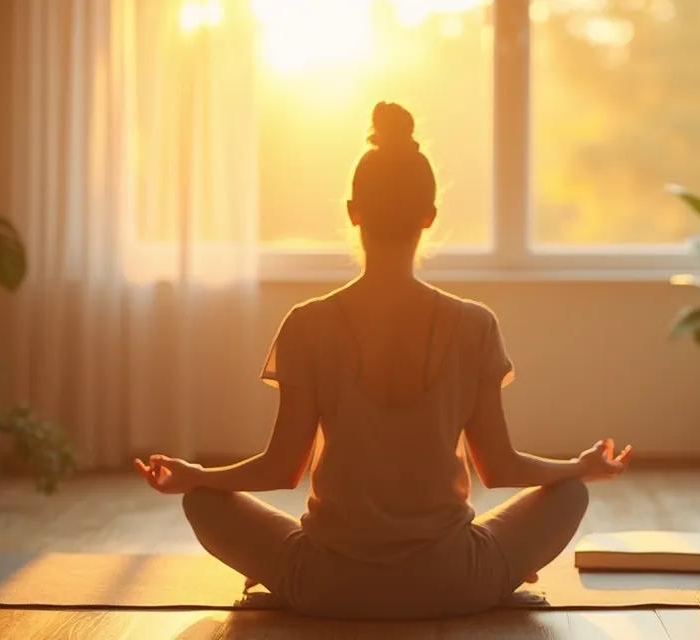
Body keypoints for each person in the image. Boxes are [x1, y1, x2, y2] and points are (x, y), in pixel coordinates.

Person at [133, 102, 632, 619]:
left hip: (326, 584)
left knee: (203, 501)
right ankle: (498, 578)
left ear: (353, 210)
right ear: (430, 215)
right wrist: (580, 467)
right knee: (570, 494)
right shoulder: (475, 324)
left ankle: (289, 583)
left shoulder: (307, 322)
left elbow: (282, 469)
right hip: (454, 580)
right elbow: (499, 468)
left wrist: (196, 475)